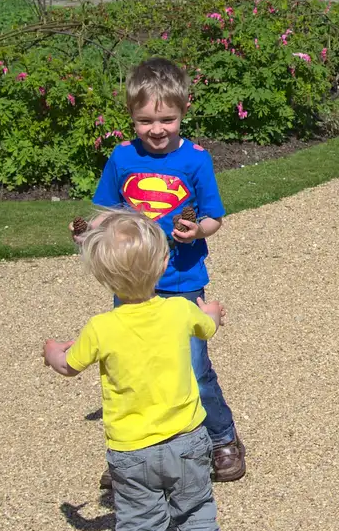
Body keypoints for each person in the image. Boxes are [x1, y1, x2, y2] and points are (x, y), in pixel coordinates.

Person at [43, 211, 237, 531]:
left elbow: (68, 365)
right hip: (188, 440)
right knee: (196, 508)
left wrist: (51, 352)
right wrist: (215, 312)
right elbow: (209, 325)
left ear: (102, 277)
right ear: (164, 264)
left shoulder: (101, 328)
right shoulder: (179, 311)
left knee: (138, 525)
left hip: (131, 451)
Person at [77, 57, 247, 482]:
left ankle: (222, 438)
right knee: (134, 370)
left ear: (184, 109)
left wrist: (194, 232)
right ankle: (135, 455)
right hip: (133, 282)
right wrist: (89, 232)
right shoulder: (121, 158)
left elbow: (213, 218)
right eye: (145, 120)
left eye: (167, 119)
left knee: (192, 366)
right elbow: (107, 211)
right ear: (131, 117)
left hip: (183, 279)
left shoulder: (195, 160)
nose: (156, 129)